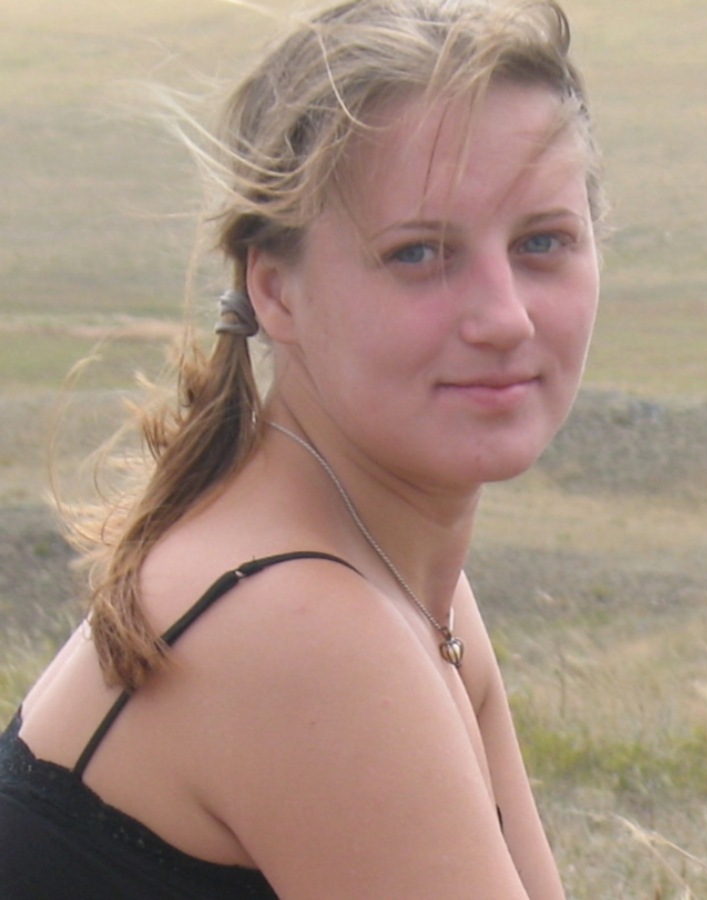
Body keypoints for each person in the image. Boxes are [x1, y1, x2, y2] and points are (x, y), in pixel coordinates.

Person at [0, 0, 606, 896]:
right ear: (275, 291)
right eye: (418, 254)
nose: (505, 318)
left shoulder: (389, 578)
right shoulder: (302, 625)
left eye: (542, 242)